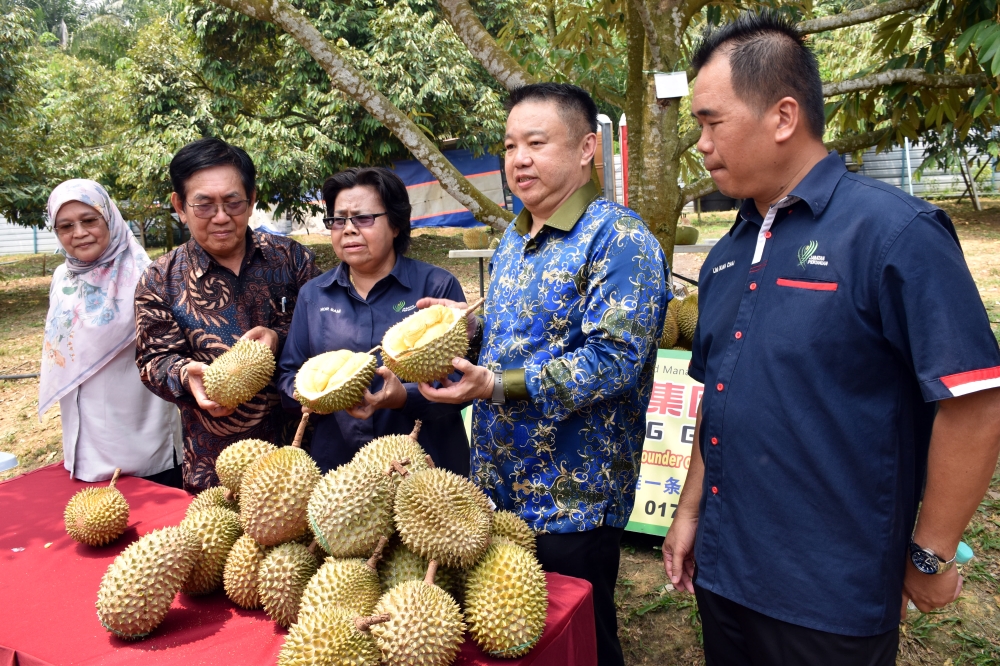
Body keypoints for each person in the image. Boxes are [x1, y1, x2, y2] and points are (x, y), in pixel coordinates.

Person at [661, 11, 1000, 666]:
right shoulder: (728, 252)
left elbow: (976, 402)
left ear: (783, 117)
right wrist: (689, 512)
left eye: (711, 122)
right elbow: (719, 394)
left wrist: (928, 554)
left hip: (830, 598)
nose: (700, 143)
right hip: (727, 577)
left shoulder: (894, 234)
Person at [419, 82, 670, 666]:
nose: (518, 159)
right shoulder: (516, 236)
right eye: (509, 146)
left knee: (580, 639)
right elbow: (526, 336)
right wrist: (461, 330)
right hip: (499, 483)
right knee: (517, 641)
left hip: (571, 497)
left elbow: (614, 361)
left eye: (536, 142)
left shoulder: (620, 239)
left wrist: (494, 385)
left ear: (587, 149)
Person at [135, 138, 320, 491]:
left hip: (302, 456)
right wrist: (184, 375)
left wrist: (279, 338)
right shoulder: (160, 280)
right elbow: (152, 360)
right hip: (215, 467)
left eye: (233, 202)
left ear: (251, 200)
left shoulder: (294, 260)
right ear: (180, 205)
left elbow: (324, 330)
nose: (221, 217)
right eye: (203, 205)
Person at [276, 167, 470, 474]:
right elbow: (289, 373)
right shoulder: (314, 294)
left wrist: (403, 397)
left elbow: (462, 382)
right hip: (343, 475)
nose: (348, 229)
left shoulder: (436, 289)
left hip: (427, 468)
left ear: (395, 224)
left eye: (363, 218)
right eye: (338, 220)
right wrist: (312, 392)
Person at [39, 179, 183, 486]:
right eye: (65, 226)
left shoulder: (148, 275)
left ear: (110, 218)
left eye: (89, 220)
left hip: (141, 432)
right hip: (84, 434)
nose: (79, 233)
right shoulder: (62, 277)